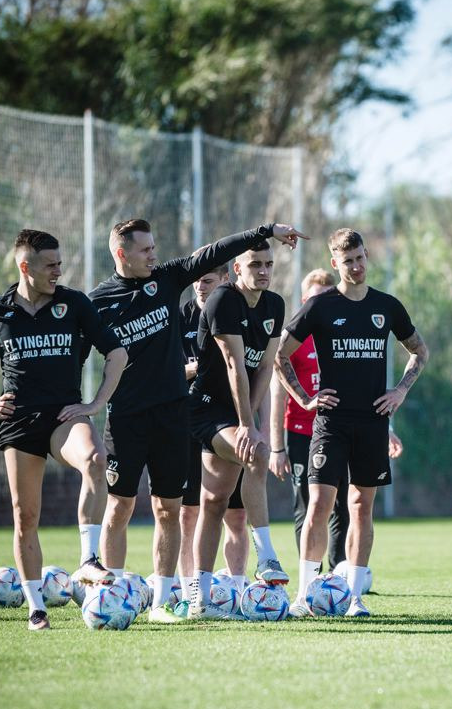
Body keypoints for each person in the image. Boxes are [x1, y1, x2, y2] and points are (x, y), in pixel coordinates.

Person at [88, 218, 305, 622]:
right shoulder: (97, 301)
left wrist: (264, 231)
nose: (154, 255)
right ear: (122, 253)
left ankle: (160, 604)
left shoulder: (166, 280)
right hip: (127, 417)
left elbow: (214, 252)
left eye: (154, 248)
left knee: (169, 510)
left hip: (174, 416)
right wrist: (83, 404)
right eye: (145, 250)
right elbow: (71, 350)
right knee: (119, 507)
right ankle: (111, 594)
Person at [0, 229, 127, 630]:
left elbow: (116, 353)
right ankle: (36, 608)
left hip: (65, 415)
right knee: (25, 515)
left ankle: (88, 559)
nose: (58, 271)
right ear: (25, 266)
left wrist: (95, 403)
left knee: (96, 459)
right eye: (50, 265)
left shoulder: (74, 303)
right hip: (19, 422)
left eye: (59, 263)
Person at [276, 228, 428, 617]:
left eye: (360, 258)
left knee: (361, 506)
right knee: (318, 505)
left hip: (373, 422)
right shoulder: (320, 306)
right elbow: (280, 356)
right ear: (335, 263)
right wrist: (305, 399)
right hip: (331, 423)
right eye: (348, 261)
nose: (356, 266)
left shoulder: (387, 306)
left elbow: (419, 351)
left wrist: (400, 391)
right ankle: (304, 595)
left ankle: (355, 597)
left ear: (366, 257)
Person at [268, 269, 402, 572]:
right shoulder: (297, 340)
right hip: (302, 432)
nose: (319, 304)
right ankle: (311, 577)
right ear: (305, 301)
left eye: (324, 296)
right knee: (310, 504)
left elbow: (365, 387)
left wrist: (388, 429)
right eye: (312, 298)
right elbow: (278, 391)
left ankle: (339, 572)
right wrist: (277, 447)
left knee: (345, 505)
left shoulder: (345, 329)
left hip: (347, 429)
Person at [183, 242, 288, 617]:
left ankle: (200, 601)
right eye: (255, 264)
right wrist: (246, 426)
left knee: (213, 502)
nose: (263, 271)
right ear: (237, 270)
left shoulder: (275, 305)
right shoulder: (223, 299)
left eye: (268, 264)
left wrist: (252, 421)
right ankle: (267, 557)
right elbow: (234, 365)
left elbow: (265, 367)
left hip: (237, 411)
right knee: (257, 454)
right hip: (207, 408)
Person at [178, 265, 249, 600]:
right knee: (189, 512)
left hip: (229, 422)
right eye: (196, 282)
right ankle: (192, 591)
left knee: (236, 514)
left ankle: (238, 591)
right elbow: (165, 371)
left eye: (207, 281)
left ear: (225, 279)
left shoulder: (237, 309)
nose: (200, 287)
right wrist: (196, 368)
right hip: (189, 422)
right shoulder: (180, 317)